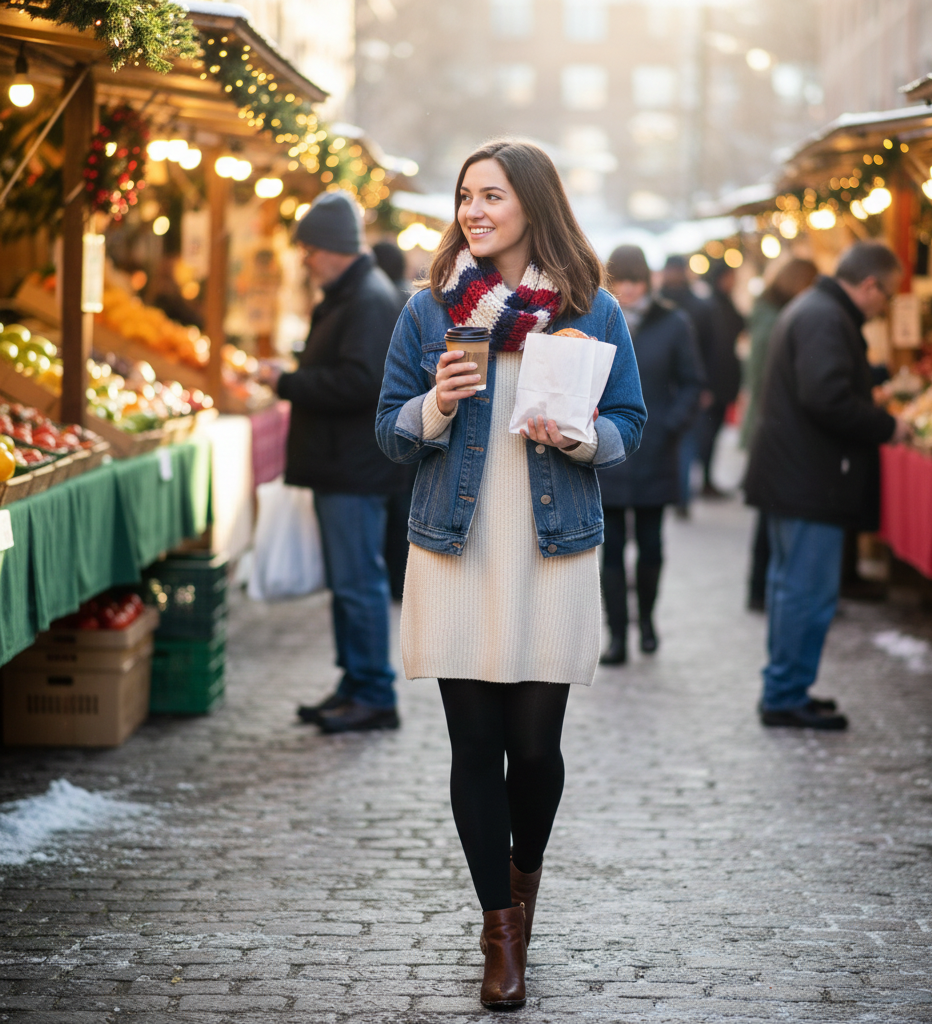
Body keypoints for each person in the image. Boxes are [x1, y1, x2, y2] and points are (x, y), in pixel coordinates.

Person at [376, 140, 646, 1009]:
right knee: (472, 747)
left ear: (533, 203)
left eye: (492, 194)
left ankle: (521, 885)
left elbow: (629, 422)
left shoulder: (589, 308)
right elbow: (388, 430)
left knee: (534, 750)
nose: (474, 209)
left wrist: (578, 437)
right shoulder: (428, 310)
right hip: (455, 547)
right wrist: (437, 405)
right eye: (465, 195)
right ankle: (500, 928)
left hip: (550, 546)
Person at [744, 241, 912, 730]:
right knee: (805, 593)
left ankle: (786, 688)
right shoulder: (825, 316)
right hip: (808, 480)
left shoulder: (814, 309)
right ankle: (784, 695)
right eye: (888, 294)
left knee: (790, 589)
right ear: (869, 286)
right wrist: (886, 426)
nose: (886, 306)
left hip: (794, 477)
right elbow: (827, 397)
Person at [264, 192, 407, 734]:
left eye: (308, 247)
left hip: (354, 466)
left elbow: (363, 384)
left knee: (357, 583)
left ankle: (373, 692)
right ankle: (355, 684)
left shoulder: (366, 299)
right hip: (344, 464)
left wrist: (286, 382)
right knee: (349, 583)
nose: (304, 258)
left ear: (330, 249)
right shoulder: (354, 295)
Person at [598, 245, 703, 665]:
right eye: (620, 281)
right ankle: (618, 634)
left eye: (635, 281)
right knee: (612, 550)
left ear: (648, 281)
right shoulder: (601, 321)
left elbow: (693, 382)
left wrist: (670, 426)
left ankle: (648, 621)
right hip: (608, 451)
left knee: (652, 547)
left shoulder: (673, 322)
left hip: (656, 450)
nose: (628, 290)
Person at [741, 258, 818, 611]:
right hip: (771, 424)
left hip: (767, 422)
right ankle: (760, 590)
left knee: (770, 510)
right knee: (771, 511)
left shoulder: (770, 315)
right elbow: (761, 378)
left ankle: (761, 589)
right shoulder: (775, 320)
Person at [372, 239, 416, 601]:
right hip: (403, 426)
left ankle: (395, 578)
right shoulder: (407, 304)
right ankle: (399, 580)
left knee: (395, 509)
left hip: (396, 429)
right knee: (401, 507)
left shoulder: (387, 303)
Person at [659, 255, 715, 517]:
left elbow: (711, 347)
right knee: (685, 442)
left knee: (683, 442)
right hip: (685, 383)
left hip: (676, 383)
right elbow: (712, 349)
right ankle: (679, 497)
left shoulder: (661, 305)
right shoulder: (698, 305)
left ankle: (678, 496)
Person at [696, 258, 745, 499]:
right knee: (708, 434)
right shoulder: (711, 307)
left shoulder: (724, 304)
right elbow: (708, 349)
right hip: (714, 384)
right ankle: (704, 481)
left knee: (713, 434)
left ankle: (706, 480)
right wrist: (705, 385)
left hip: (723, 382)